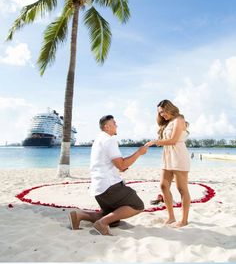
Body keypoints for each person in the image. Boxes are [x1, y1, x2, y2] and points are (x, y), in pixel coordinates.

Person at [69, 115, 148, 235]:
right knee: (137, 205)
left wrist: (121, 166)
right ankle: (102, 223)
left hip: (99, 190)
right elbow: (121, 165)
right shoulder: (109, 140)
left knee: (114, 220)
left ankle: (79, 215)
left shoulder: (99, 139)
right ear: (107, 126)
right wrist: (139, 152)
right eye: (114, 123)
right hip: (108, 187)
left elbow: (115, 164)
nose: (117, 126)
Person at [146, 99, 191, 227]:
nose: (162, 115)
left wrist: (155, 142)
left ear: (170, 108)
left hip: (179, 156)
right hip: (167, 157)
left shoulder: (179, 120)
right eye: (160, 113)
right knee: (163, 186)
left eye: (163, 111)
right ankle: (171, 217)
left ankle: (184, 220)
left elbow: (173, 140)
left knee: (182, 189)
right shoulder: (168, 123)